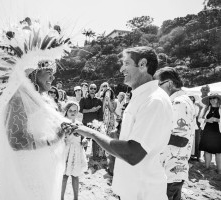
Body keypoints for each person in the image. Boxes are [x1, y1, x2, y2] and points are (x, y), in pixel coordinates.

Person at [73, 46, 173, 200]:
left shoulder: (154, 100)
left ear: (142, 64)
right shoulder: (141, 96)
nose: (121, 69)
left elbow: (134, 153)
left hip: (143, 192)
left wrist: (92, 133)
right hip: (131, 187)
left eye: (126, 63)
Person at [0, 19, 72, 200]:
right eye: (47, 70)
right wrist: (55, 138)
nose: (53, 75)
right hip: (29, 171)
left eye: (53, 70)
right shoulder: (17, 99)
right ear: (32, 72)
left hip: (44, 167)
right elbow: (17, 141)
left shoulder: (44, 98)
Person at [154, 67, 195, 200]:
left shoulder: (179, 103)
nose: (156, 89)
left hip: (171, 170)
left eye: (158, 84)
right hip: (173, 170)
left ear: (170, 83)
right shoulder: (181, 100)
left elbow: (180, 139)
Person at [61, 101, 87, 200]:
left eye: (75, 111)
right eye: (70, 110)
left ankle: (76, 198)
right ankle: (61, 197)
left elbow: (83, 137)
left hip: (77, 151)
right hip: (66, 151)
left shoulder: (79, 123)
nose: (72, 112)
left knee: (75, 175)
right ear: (66, 111)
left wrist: (84, 140)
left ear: (77, 112)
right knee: (64, 176)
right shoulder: (63, 123)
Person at [198, 93, 221, 173]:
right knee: (207, 150)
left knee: (219, 151)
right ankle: (207, 167)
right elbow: (199, 119)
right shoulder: (206, 108)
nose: (212, 100)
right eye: (211, 98)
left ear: (218, 99)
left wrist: (217, 120)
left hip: (218, 133)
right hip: (207, 131)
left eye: (215, 98)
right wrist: (207, 120)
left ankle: (219, 170)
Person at [79, 83, 103, 158]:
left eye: (94, 89)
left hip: (95, 124)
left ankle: (95, 157)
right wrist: (91, 110)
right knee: (84, 139)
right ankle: (82, 156)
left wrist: (100, 124)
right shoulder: (83, 99)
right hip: (85, 123)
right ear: (89, 89)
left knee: (95, 140)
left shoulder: (99, 100)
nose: (93, 90)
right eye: (91, 88)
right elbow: (80, 110)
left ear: (96, 90)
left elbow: (100, 113)